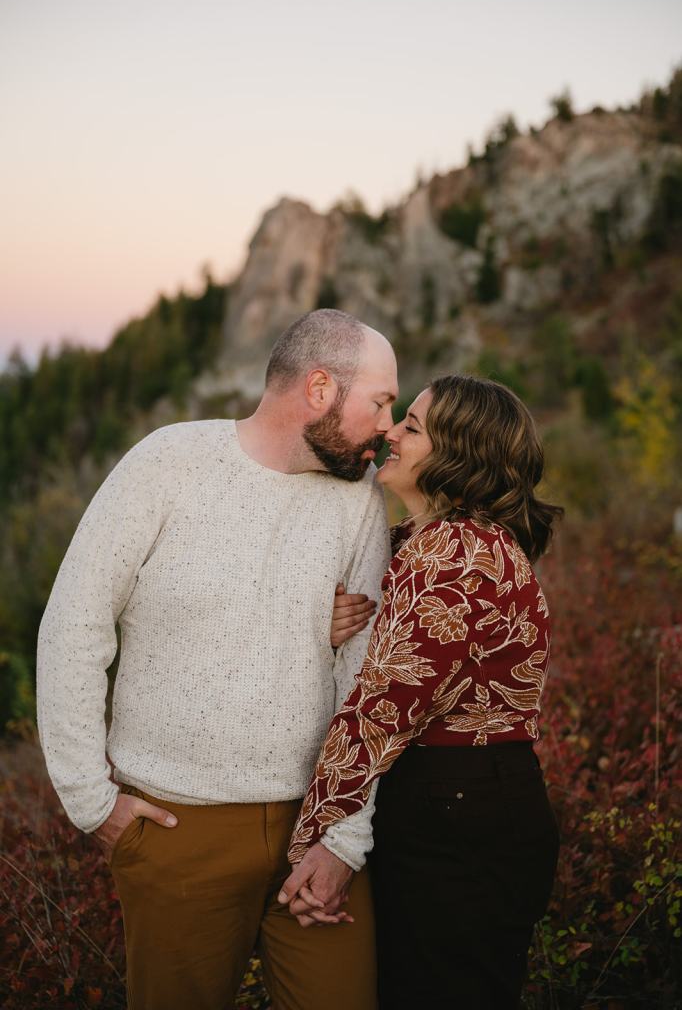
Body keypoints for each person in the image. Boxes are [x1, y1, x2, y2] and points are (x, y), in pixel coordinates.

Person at [37, 308, 399, 1010]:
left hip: (316, 834)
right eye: (381, 401)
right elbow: (75, 624)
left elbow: (364, 676)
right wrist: (90, 799)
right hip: (178, 835)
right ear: (319, 388)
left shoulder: (356, 498)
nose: (390, 423)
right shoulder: (167, 463)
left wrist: (346, 836)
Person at [281, 374, 563, 1009]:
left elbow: (382, 710)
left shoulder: (455, 554)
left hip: (459, 811)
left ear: (457, 455)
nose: (391, 432)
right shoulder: (424, 544)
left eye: (412, 426)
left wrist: (317, 843)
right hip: (454, 799)